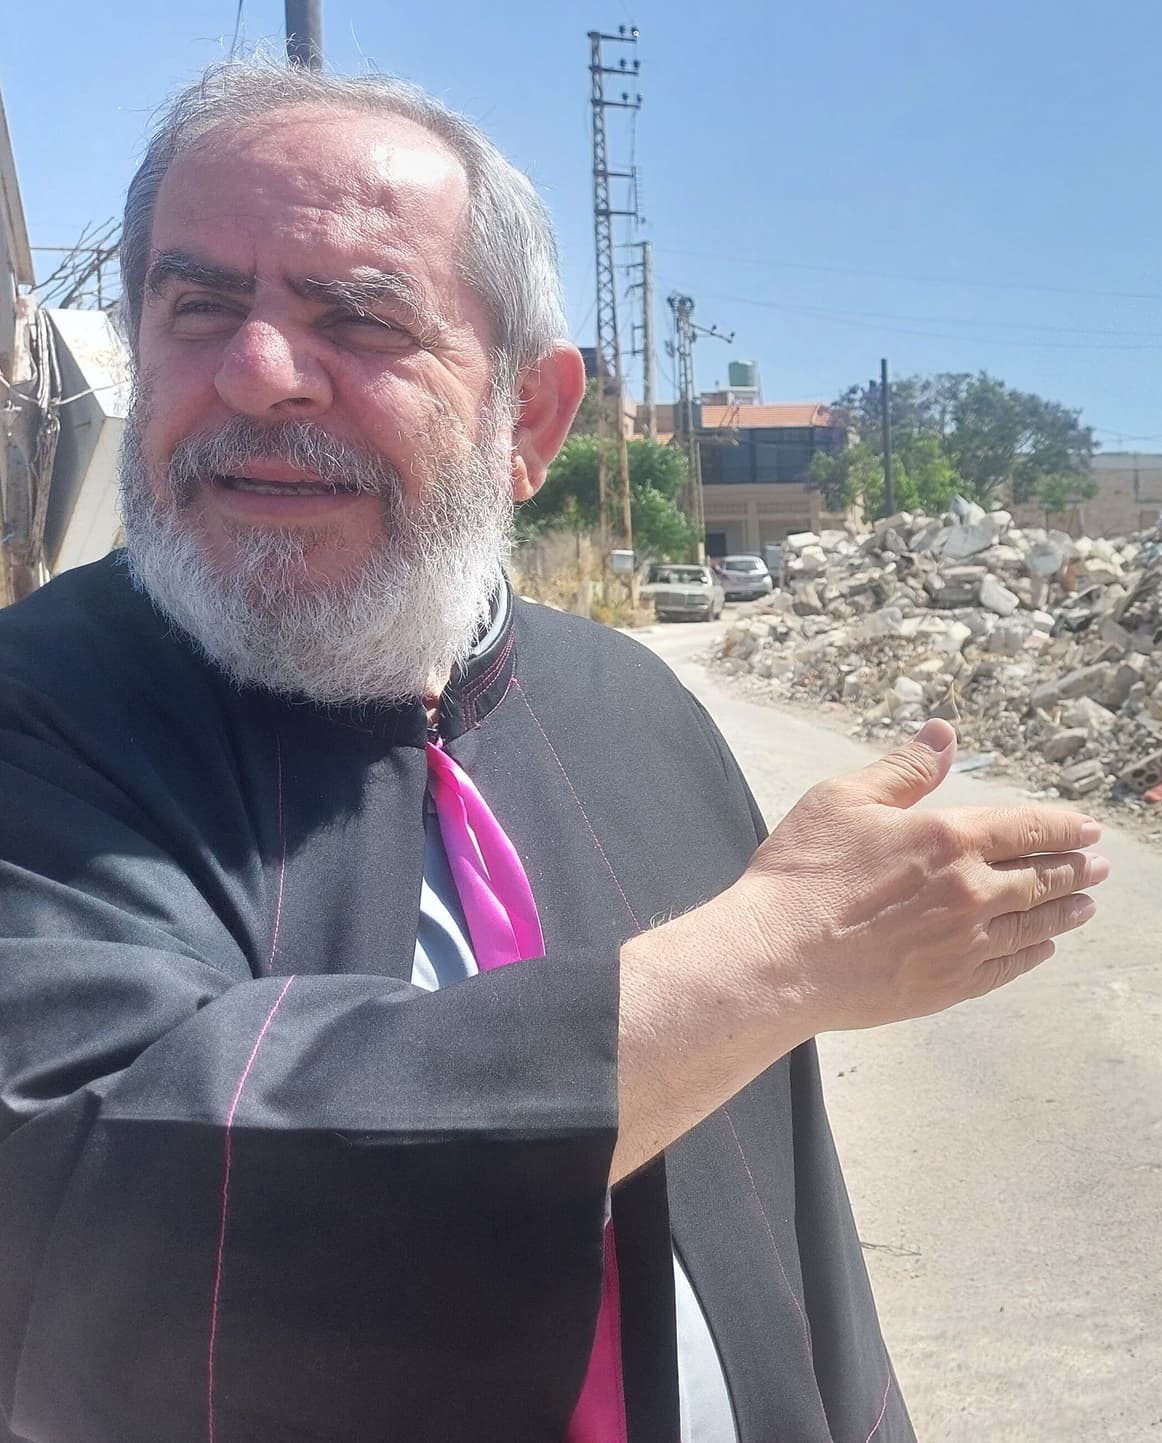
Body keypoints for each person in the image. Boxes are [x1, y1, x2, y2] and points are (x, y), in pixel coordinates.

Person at [0, 61, 1106, 1443]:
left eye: (357, 317)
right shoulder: (34, 719)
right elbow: (80, 1182)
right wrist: (773, 959)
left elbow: (790, 1231)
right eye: (199, 306)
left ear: (528, 420)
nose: (258, 372)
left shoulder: (629, 712)